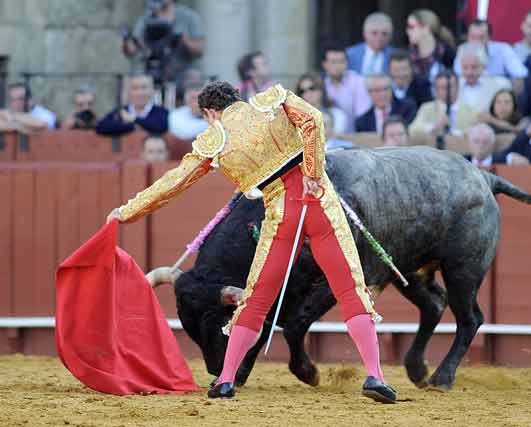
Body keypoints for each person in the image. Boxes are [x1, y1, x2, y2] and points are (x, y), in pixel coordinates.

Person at [105, 81, 396, 403]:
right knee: (350, 289)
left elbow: (172, 183)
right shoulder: (270, 101)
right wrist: (313, 173)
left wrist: (126, 212)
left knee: (256, 299)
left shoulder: (215, 139)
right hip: (321, 206)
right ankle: (375, 376)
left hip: (280, 214)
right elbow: (313, 119)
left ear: (208, 113)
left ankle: (226, 380)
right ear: (237, 99)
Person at [123, 0, 204, 84]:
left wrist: (182, 39)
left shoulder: (189, 16)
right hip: (152, 72)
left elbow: (199, 50)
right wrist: (127, 39)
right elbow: (132, 50)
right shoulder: (147, 17)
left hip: (182, 75)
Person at [409, 71, 477, 141]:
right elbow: (412, 130)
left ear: (458, 87)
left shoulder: (471, 110)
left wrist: (455, 133)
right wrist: (434, 126)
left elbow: (475, 133)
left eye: (449, 87)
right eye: (442, 88)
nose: (446, 91)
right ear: (436, 90)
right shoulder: (426, 108)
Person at [96, 74, 169, 136]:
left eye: (144, 88)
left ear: (152, 90)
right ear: (129, 92)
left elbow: (161, 126)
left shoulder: (162, 112)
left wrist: (133, 119)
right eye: (135, 88)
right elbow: (101, 127)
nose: (140, 93)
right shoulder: (121, 111)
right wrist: (133, 126)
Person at [454, 19, 528, 80]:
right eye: (473, 37)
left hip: (498, 92)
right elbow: (459, 76)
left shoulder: (503, 49)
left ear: (489, 38)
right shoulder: (462, 50)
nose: (476, 42)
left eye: (481, 37)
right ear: (467, 37)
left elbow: (521, 73)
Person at [322, 45, 372, 132]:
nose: (338, 66)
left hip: (353, 137)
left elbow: (362, 115)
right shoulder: (321, 83)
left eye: (341, 61)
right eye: (333, 62)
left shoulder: (357, 81)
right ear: (325, 64)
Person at [456, 42, 512, 114]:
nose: (469, 72)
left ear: (484, 66)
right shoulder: (455, 85)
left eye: (474, 67)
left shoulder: (500, 84)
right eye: (465, 67)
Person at [405, 9, 456, 82]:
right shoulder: (408, 54)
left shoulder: (447, 53)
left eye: (411, 27)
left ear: (426, 28)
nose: (407, 31)